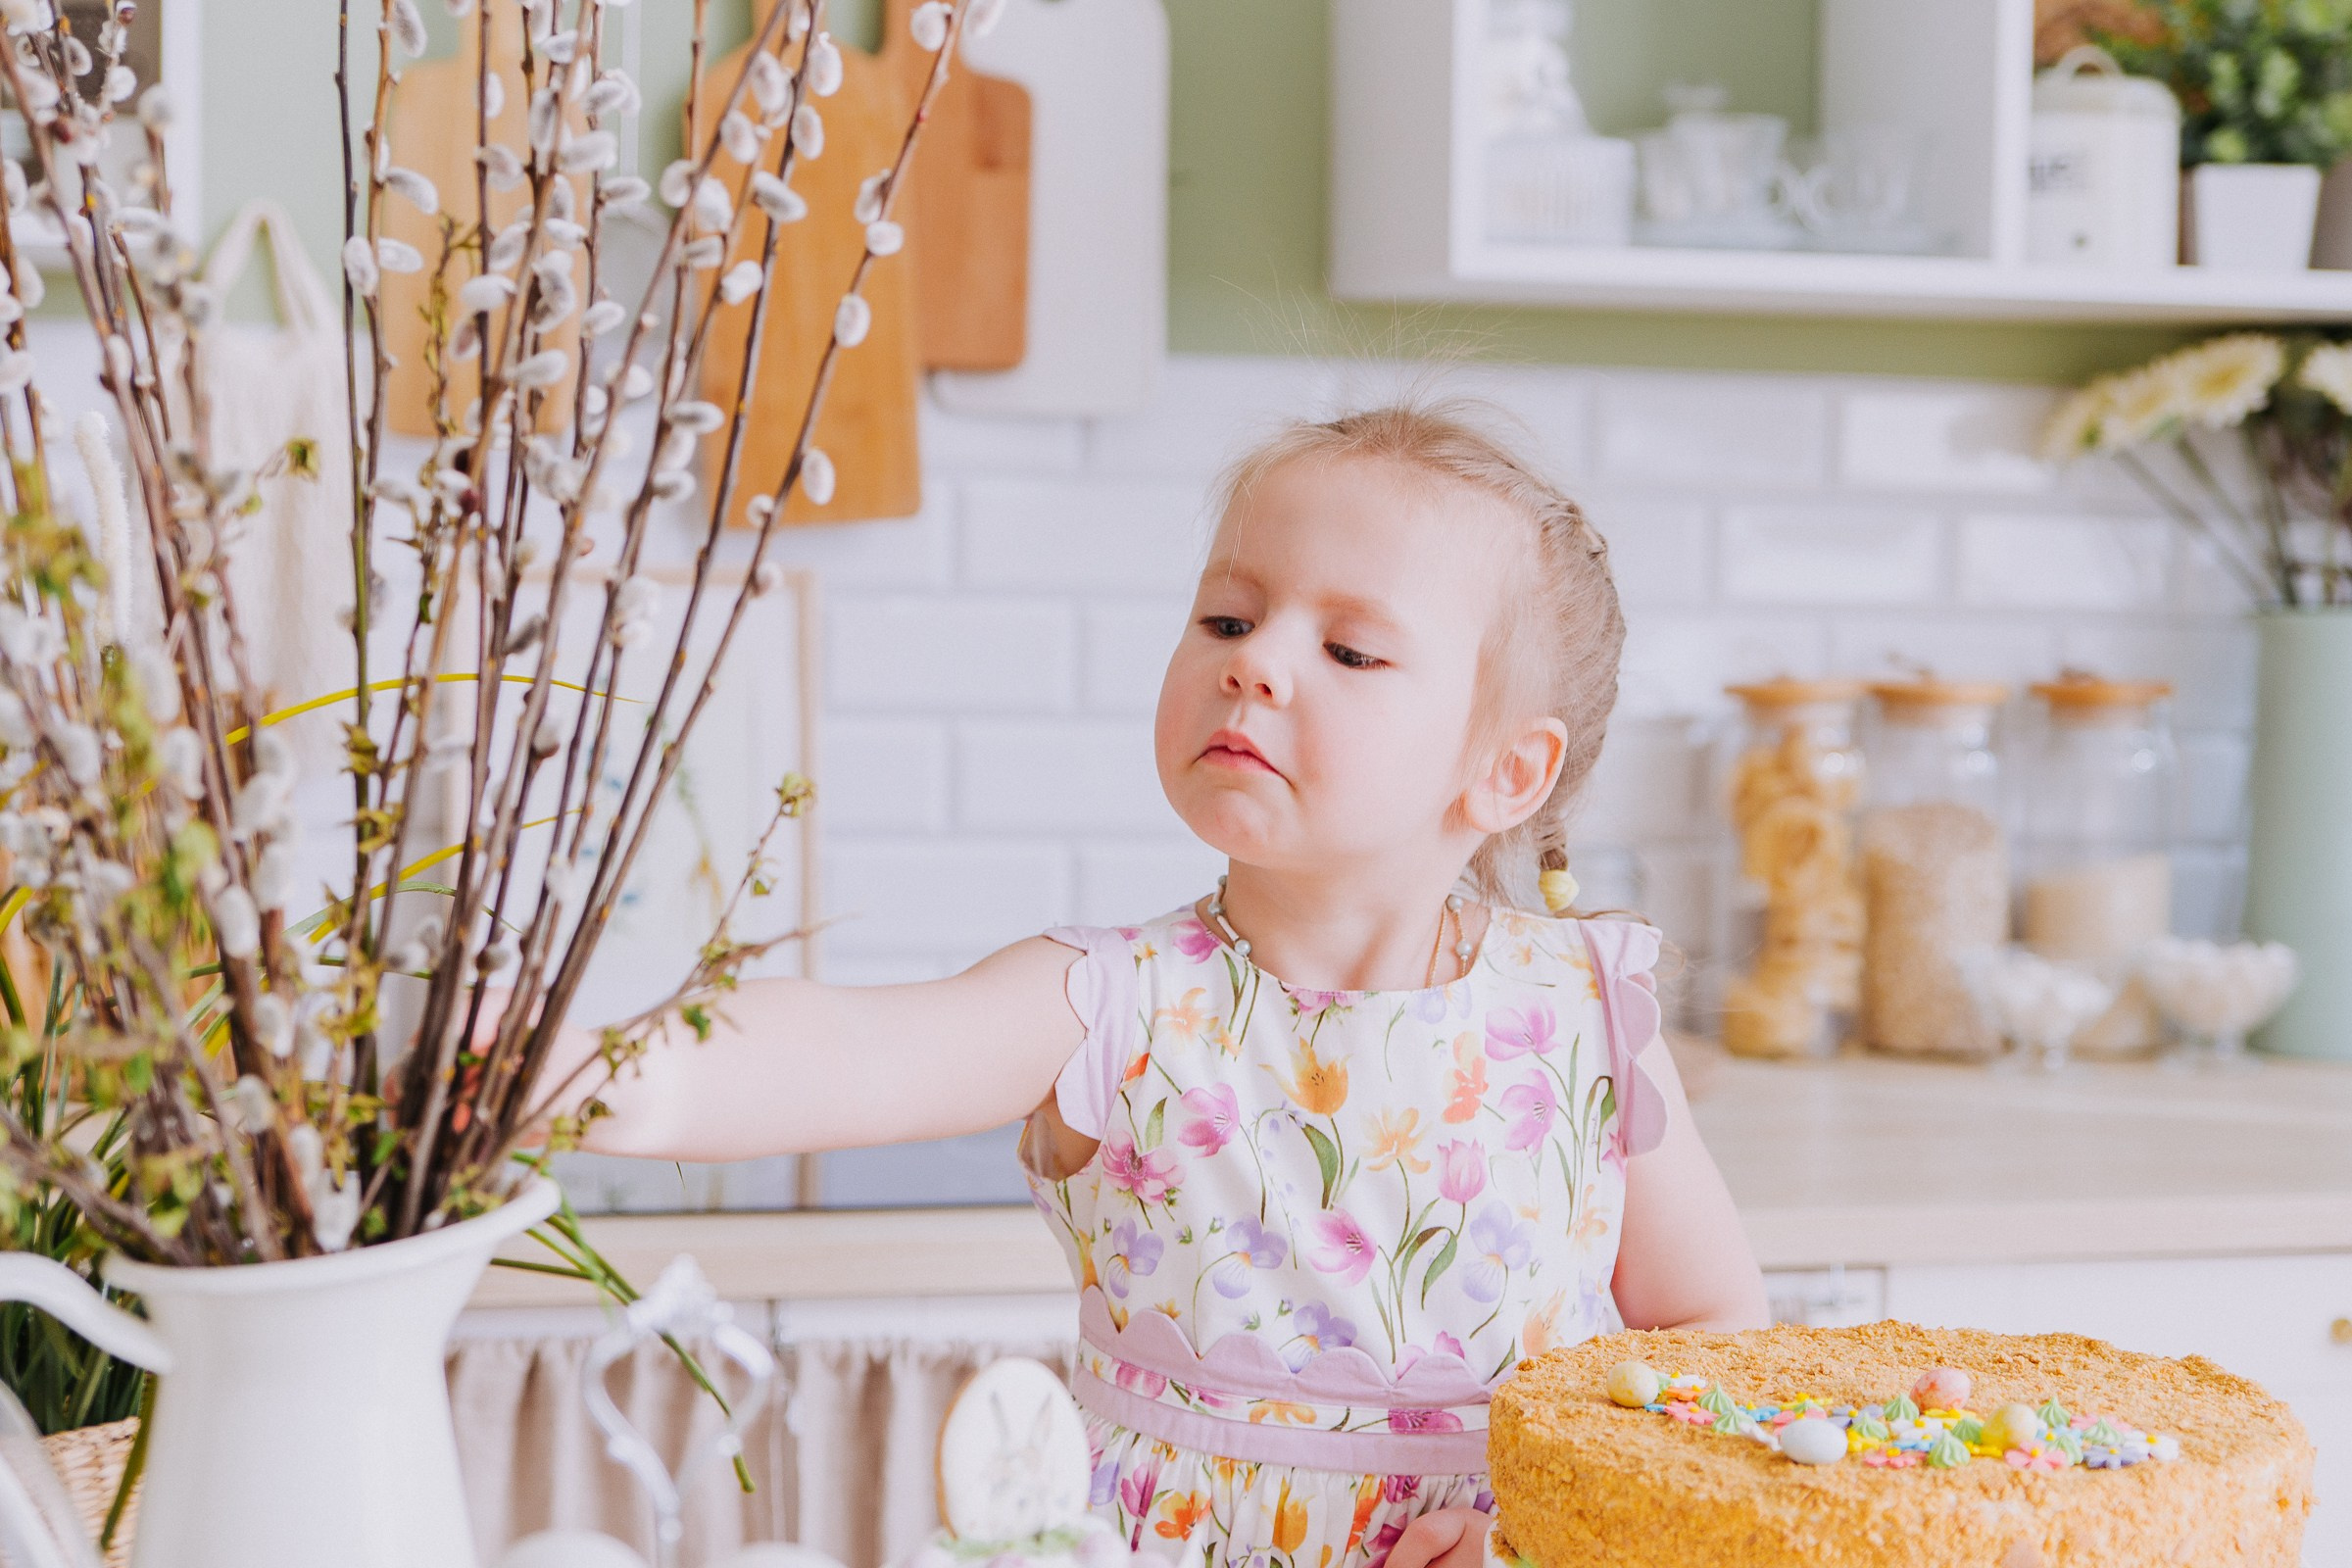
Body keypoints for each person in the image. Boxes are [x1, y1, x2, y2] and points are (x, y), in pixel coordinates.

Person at [536, 402, 1770, 1568]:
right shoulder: (1115, 1005)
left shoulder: (1586, 1009)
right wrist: (583, 1070)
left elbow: (1715, 1334)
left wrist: (1552, 1527)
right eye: (1228, 620)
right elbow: (850, 1052)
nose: (1257, 663)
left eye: (1349, 648)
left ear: (1506, 771)